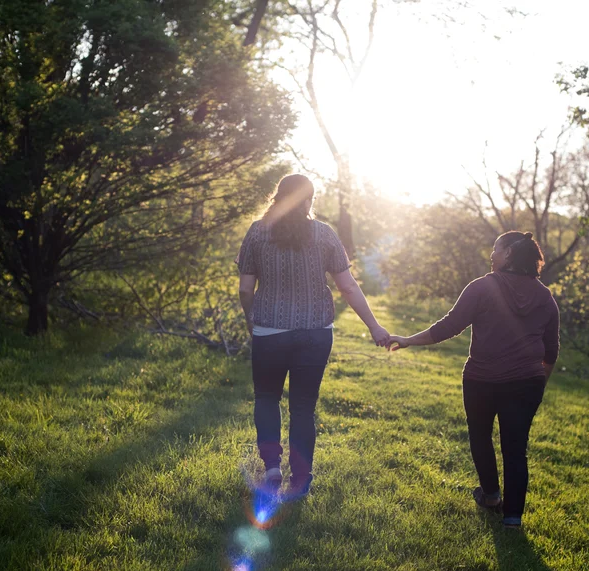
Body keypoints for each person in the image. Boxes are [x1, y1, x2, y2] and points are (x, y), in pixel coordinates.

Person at [387, 231, 559, 529]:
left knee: (480, 435)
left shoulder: (483, 287)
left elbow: (448, 327)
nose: (491, 255)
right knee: (515, 448)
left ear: (508, 254)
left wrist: (408, 340)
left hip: (482, 380)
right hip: (527, 382)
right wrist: (539, 384)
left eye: (496, 249)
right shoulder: (544, 296)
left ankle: (492, 496)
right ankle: (512, 518)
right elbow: (551, 351)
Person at [238, 174, 390, 498]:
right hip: (315, 333)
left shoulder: (257, 232)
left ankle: (272, 468)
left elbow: (244, 288)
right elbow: (347, 286)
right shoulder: (324, 234)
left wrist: (252, 320)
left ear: (278, 197)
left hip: (269, 330)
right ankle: (301, 479)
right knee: (303, 407)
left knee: (266, 399)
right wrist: (374, 327)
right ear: (308, 200)